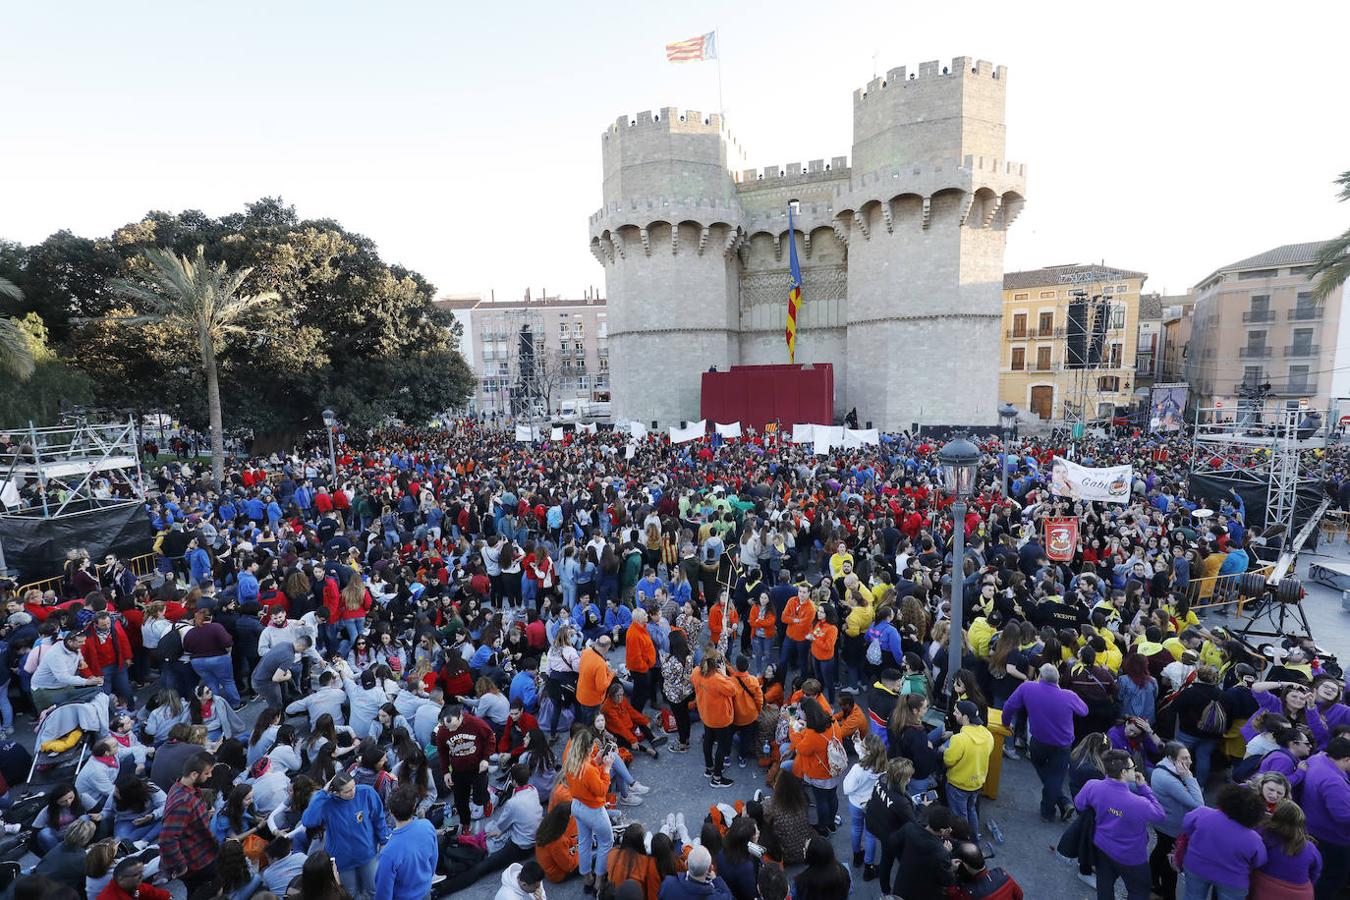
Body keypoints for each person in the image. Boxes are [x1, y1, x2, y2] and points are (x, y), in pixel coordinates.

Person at [1001, 663, 1088, 822]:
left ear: (1040, 676)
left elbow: (1009, 706)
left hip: (1039, 741)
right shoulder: (1069, 696)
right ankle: (1060, 803)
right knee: (1055, 776)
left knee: (1045, 771)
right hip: (1063, 744)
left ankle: (1051, 809)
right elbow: (1084, 711)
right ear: (1058, 680)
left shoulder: (1027, 688)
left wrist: (1006, 724)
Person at [1073, 748, 1165, 900]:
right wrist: (1144, 788)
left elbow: (1079, 804)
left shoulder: (1092, 786)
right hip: (1132, 856)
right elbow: (1160, 815)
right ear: (1123, 772)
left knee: (1104, 885)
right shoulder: (1140, 803)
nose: (1135, 769)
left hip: (1102, 846)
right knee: (1139, 891)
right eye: (1132, 767)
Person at [443, 764, 542, 893]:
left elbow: (501, 825)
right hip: (532, 840)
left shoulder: (513, 803)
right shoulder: (533, 790)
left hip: (520, 846)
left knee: (483, 867)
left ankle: (442, 889)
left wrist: (496, 831)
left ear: (514, 781)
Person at [300, 771, 389, 900]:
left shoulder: (366, 792)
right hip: (343, 860)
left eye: (353, 787)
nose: (353, 792)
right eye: (347, 791)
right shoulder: (326, 803)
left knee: (373, 889)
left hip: (367, 855)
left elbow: (378, 818)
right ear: (336, 792)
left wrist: (384, 840)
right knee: (351, 894)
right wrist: (322, 794)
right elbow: (308, 821)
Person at [1180, 783, 1269, 900]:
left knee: (1192, 896)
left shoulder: (1202, 813)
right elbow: (1259, 861)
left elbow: (1186, 825)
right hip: (1232, 880)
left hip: (1196, 866)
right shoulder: (1253, 838)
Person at [1149, 741, 1204, 900]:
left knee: (1161, 849)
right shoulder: (1169, 779)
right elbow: (1199, 805)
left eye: (1189, 757)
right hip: (1172, 827)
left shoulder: (1162, 767)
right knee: (1171, 862)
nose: (1190, 762)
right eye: (1185, 758)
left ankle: (1152, 882)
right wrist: (1189, 778)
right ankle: (1168, 895)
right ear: (1171, 758)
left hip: (1163, 823)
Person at [160, 750, 220, 894]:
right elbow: (167, 838)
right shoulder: (184, 801)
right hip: (197, 860)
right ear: (194, 774)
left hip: (202, 852)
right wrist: (180, 865)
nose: (210, 776)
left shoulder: (180, 787)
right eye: (207, 773)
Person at [564, 729, 615, 895]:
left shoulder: (571, 761)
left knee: (584, 842)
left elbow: (586, 777)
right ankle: (599, 881)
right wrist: (606, 768)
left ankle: (587, 878)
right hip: (593, 810)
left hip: (577, 806)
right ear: (588, 748)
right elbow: (601, 790)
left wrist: (597, 761)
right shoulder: (588, 769)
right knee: (606, 842)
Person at [1299, 735, 1350, 900]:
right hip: (1333, 837)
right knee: (1333, 876)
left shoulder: (1317, 758)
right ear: (1347, 759)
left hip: (1312, 826)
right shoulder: (1333, 781)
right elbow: (1344, 816)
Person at [374, 785, 438, 900]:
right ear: (414, 806)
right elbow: (433, 860)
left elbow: (383, 893)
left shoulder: (388, 853)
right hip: (425, 890)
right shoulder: (427, 826)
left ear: (391, 812)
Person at [942, 700, 992, 838]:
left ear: (965, 717)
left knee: (959, 818)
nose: (954, 714)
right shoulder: (988, 735)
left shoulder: (959, 739)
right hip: (977, 784)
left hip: (958, 785)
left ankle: (963, 842)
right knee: (971, 811)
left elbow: (948, 761)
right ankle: (974, 838)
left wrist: (944, 751)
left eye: (956, 712)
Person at [1254, 800, 1322, 899]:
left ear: (1275, 817)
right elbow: (1316, 872)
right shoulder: (1310, 847)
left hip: (1263, 889)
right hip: (1299, 894)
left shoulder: (1263, 835)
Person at [691, 649, 739, 787]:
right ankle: (717, 778)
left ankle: (709, 768)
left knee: (708, 740)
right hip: (720, 718)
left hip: (706, 714)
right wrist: (724, 675)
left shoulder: (696, 672)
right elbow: (732, 690)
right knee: (722, 747)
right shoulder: (718, 679)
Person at [842, 733, 887, 875]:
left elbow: (846, 789)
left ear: (868, 751)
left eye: (863, 745)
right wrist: (857, 743)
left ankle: (857, 857)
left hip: (856, 803)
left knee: (856, 829)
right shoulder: (883, 766)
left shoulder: (858, 769)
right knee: (870, 835)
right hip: (873, 805)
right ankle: (869, 866)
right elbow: (865, 756)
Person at [893, 805, 958, 900]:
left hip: (901, 889)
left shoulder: (910, 828)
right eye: (949, 828)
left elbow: (894, 843)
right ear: (942, 830)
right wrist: (951, 864)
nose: (951, 830)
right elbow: (948, 881)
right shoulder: (941, 853)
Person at [950, 840, 1025, 900]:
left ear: (965, 865)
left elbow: (952, 896)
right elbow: (1019, 895)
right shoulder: (1001, 873)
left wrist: (951, 872)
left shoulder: (969, 893)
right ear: (982, 855)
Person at [657, 845, 732, 900]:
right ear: (710, 869)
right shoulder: (718, 897)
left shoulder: (668, 884)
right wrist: (715, 879)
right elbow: (729, 896)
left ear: (686, 864)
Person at [94, 856, 171, 900]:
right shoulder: (108, 898)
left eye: (141, 872)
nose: (142, 876)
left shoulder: (131, 886)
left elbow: (149, 891)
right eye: (136, 874)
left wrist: (168, 897)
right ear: (121, 878)